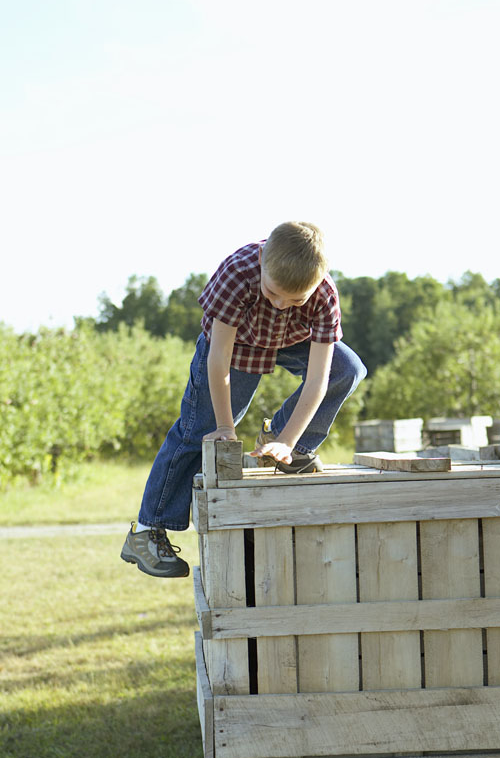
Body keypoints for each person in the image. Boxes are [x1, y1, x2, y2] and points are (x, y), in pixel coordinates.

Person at [120, 221, 367, 578]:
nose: (282, 305)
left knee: (349, 369)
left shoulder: (325, 296)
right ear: (263, 263)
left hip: (292, 340)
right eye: (273, 293)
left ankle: (283, 446)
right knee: (198, 429)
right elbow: (218, 358)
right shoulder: (238, 272)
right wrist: (224, 425)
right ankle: (147, 530)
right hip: (236, 345)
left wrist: (287, 440)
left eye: (296, 300)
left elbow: (319, 379)